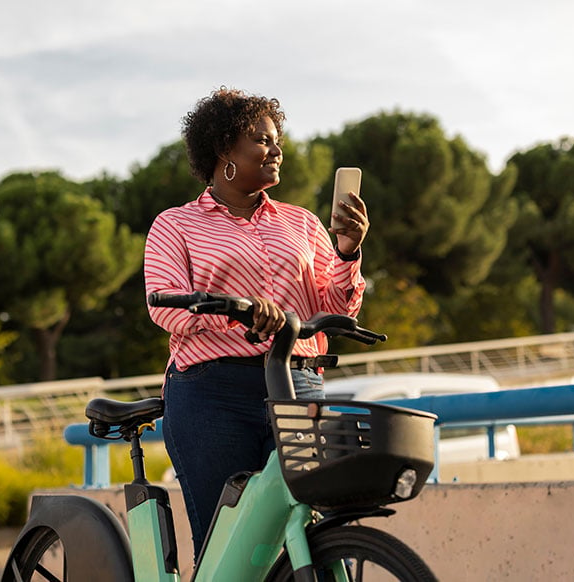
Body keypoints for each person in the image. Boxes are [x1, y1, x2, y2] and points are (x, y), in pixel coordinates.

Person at [143, 87, 369, 558]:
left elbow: (337, 308)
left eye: (277, 139)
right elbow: (164, 306)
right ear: (224, 149)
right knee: (229, 545)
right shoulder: (175, 225)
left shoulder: (303, 223)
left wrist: (347, 250)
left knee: (309, 529)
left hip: (297, 384)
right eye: (262, 140)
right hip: (212, 394)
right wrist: (241, 313)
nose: (277, 149)